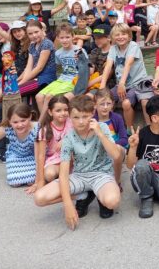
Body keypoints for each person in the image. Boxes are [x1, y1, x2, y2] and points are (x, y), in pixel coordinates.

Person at [34, 96, 122, 229]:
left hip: (101, 174)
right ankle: (83, 195)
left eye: (85, 116)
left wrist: (100, 134)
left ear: (92, 113)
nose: (81, 121)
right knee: (39, 198)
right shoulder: (69, 137)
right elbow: (63, 173)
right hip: (79, 175)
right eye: (76, 117)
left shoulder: (102, 127)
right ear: (70, 117)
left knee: (112, 201)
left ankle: (100, 195)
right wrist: (68, 205)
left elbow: (116, 155)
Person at [100, 23, 154, 128]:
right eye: (117, 35)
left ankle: (129, 129)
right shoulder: (113, 48)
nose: (120, 37)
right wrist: (102, 86)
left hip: (137, 83)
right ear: (112, 37)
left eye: (123, 34)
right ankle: (108, 126)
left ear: (129, 36)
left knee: (126, 103)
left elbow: (128, 63)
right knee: (104, 99)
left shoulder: (133, 46)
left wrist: (121, 84)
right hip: (120, 84)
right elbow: (108, 66)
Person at [0, 103, 39, 190]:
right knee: (14, 181)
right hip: (15, 156)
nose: (19, 125)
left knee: (31, 181)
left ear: (30, 117)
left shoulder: (36, 128)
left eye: (23, 120)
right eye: (15, 122)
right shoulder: (7, 127)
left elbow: (40, 153)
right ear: (10, 121)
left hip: (33, 156)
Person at [35, 24, 81, 116]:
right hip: (62, 79)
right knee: (38, 97)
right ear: (58, 38)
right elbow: (59, 68)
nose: (65, 40)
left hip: (74, 80)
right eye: (62, 38)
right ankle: (47, 120)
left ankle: (41, 121)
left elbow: (87, 67)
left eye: (67, 37)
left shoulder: (78, 50)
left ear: (73, 36)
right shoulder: (58, 53)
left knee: (49, 96)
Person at [35, 96, 72, 191]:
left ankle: (65, 179)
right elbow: (41, 156)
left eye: (66, 110)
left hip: (71, 158)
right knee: (49, 174)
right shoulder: (45, 130)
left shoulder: (72, 122)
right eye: (58, 110)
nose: (63, 113)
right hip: (55, 160)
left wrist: (65, 140)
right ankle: (64, 178)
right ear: (50, 112)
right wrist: (40, 181)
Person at [94, 88, 128, 186]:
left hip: (116, 149)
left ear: (112, 104)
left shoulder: (117, 118)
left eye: (108, 103)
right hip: (99, 151)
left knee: (117, 149)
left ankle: (117, 180)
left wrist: (111, 146)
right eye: (102, 104)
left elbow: (124, 140)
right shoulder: (93, 120)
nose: (105, 107)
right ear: (95, 105)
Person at [17, 20, 56, 97]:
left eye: (36, 32)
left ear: (42, 30)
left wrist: (21, 83)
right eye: (30, 34)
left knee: (15, 92)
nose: (34, 35)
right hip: (35, 77)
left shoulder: (46, 44)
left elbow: (39, 68)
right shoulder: (32, 45)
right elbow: (29, 67)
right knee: (10, 88)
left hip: (46, 78)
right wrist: (18, 80)